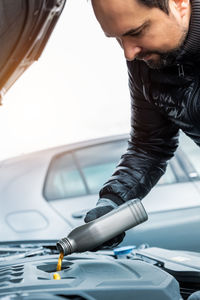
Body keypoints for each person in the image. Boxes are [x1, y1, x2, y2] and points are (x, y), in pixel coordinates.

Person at [84, 0, 200, 248]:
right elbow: (150, 144)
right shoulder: (144, 63)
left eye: (136, 32)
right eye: (117, 38)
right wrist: (112, 202)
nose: (128, 52)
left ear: (179, 4)